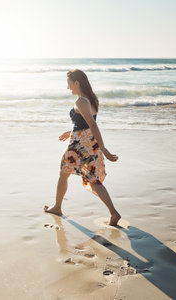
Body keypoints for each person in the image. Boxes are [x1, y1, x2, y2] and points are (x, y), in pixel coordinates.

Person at [44, 70, 121, 226]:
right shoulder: (91, 99)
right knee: (93, 180)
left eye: (69, 84)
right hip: (88, 143)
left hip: (79, 146)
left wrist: (104, 149)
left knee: (64, 173)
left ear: (76, 83)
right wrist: (71, 131)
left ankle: (57, 207)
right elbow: (85, 123)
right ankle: (113, 213)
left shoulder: (81, 101)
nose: (68, 88)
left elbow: (92, 124)